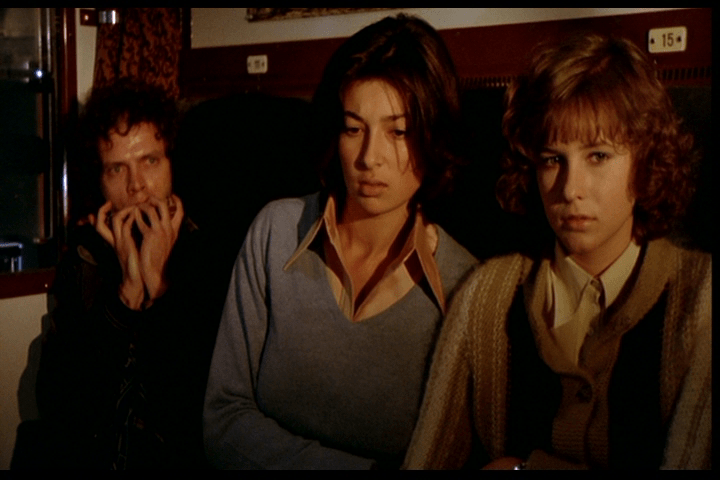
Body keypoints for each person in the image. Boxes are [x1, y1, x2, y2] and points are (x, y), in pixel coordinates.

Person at [403, 33, 711, 470]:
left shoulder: (701, 300)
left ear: (645, 161)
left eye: (598, 156)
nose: (570, 189)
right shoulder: (485, 297)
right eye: (552, 160)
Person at [203, 14, 477, 470]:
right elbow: (222, 419)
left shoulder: (468, 289)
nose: (370, 158)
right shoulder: (275, 232)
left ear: (433, 136)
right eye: (354, 128)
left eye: (399, 132)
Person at [34, 79, 225, 469]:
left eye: (150, 161)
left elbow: (199, 408)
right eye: (117, 168)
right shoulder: (85, 261)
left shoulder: (213, 256)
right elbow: (60, 406)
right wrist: (127, 297)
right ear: (100, 180)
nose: (136, 186)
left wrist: (160, 288)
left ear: (172, 164)